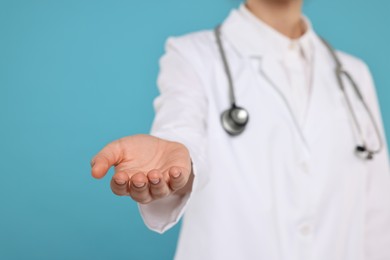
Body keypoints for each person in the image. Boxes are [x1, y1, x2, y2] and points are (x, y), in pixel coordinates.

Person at [90, 0, 390, 259]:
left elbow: (378, 215)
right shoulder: (193, 55)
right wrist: (177, 162)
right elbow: (181, 130)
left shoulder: (354, 75)